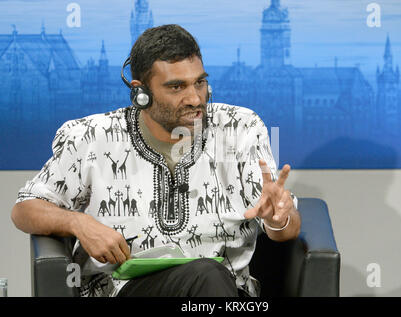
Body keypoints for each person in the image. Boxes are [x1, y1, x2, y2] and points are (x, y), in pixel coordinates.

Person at [11, 24, 301, 297]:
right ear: (141, 92)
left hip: (221, 288)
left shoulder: (241, 128)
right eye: (177, 87)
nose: (195, 98)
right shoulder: (90, 138)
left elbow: (285, 229)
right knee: (207, 275)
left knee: (209, 275)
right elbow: (25, 209)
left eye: (200, 82)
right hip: (127, 288)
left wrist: (279, 219)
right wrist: (79, 223)